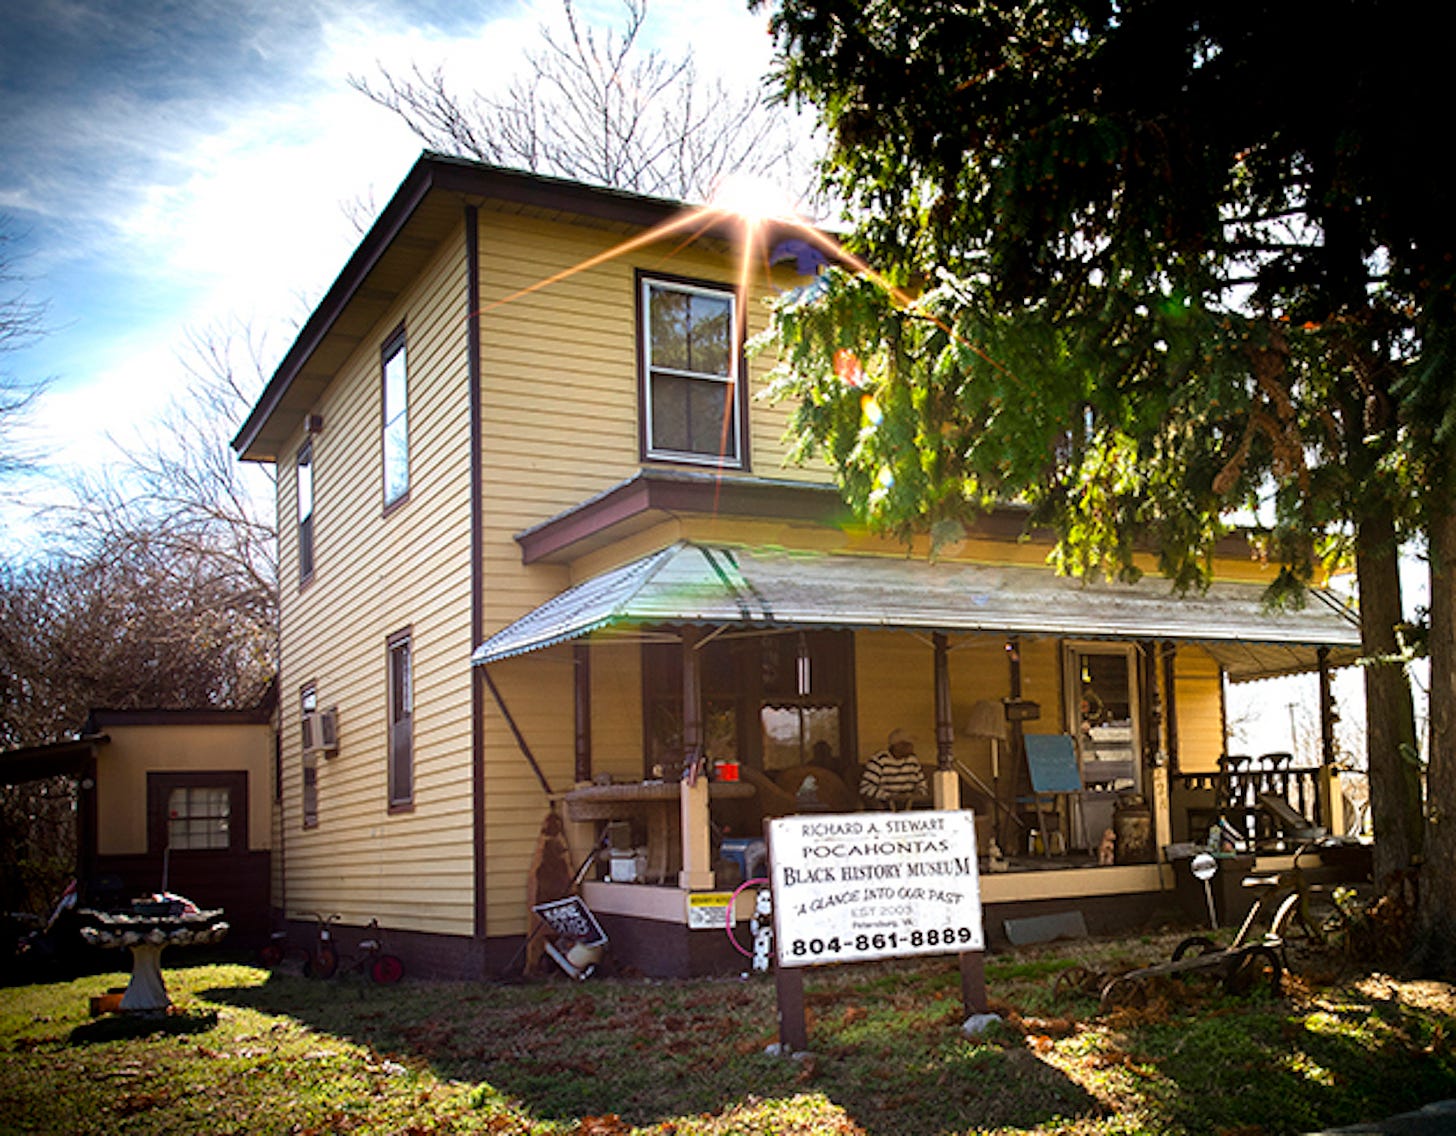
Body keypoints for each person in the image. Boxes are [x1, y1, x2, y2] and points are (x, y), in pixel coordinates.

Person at [859, 728, 929, 810]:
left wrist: (918, 794)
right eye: (908, 744)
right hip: (886, 804)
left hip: (910, 804)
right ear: (897, 746)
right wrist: (889, 797)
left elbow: (922, 784)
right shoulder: (880, 760)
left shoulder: (912, 760)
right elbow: (866, 788)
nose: (912, 747)